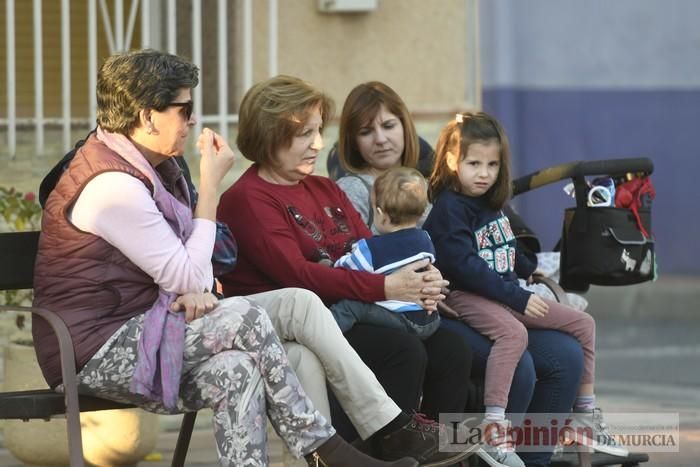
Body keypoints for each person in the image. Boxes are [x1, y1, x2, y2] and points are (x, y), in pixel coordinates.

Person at [31, 49, 420, 467]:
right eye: (185, 109)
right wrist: (211, 185)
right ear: (147, 116)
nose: (193, 120)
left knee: (252, 352)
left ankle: (388, 428)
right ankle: (328, 452)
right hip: (95, 350)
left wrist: (194, 286)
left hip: (155, 324)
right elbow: (188, 275)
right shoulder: (112, 186)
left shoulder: (157, 167)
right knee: (246, 318)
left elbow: (206, 261)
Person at [217, 75, 478, 465]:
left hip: (351, 311)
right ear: (270, 135)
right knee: (402, 351)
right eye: (305, 134)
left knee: (452, 348)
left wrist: (422, 280)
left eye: (318, 131)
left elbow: (372, 249)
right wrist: (390, 287)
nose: (318, 144)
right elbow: (299, 277)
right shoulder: (247, 198)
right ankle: (384, 448)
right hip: (302, 327)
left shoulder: (324, 187)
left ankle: (432, 454)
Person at [423, 112, 628, 466]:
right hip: (465, 295)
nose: (484, 173)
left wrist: (531, 269)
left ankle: (585, 415)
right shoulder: (449, 209)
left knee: (584, 325)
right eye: (474, 163)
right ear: (452, 160)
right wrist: (519, 296)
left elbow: (507, 248)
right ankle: (494, 426)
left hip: (504, 292)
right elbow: (462, 266)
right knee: (513, 335)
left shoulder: (490, 202)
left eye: (492, 164)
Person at [330, 167, 440, 339]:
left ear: (380, 214)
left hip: (403, 320)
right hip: (430, 319)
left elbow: (343, 270)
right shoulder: (425, 239)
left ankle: (325, 334)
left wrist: (333, 261)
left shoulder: (371, 248)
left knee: (350, 306)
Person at [334, 81, 432, 232]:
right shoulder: (352, 190)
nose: (380, 139)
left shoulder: (433, 183)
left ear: (405, 126)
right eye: (365, 132)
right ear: (353, 141)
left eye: (388, 126)